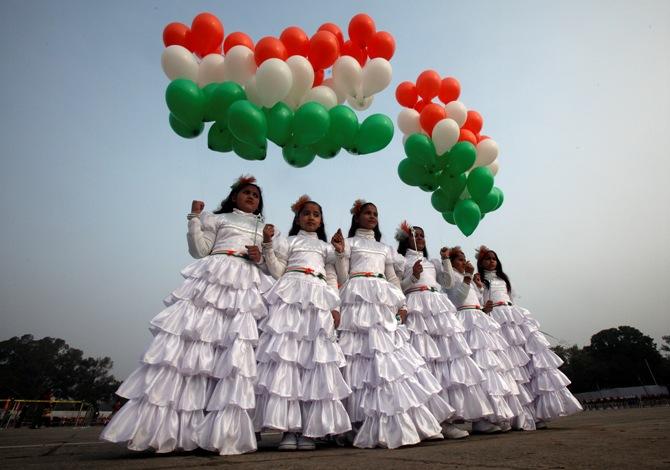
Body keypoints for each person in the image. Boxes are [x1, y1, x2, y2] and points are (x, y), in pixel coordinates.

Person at [101, 175, 271, 455]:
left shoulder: (263, 228)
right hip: (215, 275)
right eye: (246, 193)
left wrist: (260, 255)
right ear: (234, 197)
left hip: (247, 284)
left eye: (256, 194)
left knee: (234, 355)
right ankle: (171, 430)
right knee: (196, 347)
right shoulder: (216, 218)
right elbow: (199, 250)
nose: (252, 197)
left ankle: (221, 430)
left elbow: (268, 265)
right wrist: (194, 218)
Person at [332, 200, 451, 449]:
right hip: (357, 296)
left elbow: (394, 278)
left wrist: (402, 304)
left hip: (383, 298)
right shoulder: (350, 243)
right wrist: (341, 253)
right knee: (358, 355)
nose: (372, 216)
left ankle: (397, 420)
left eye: (375, 213)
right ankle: (357, 422)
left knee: (387, 358)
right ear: (357, 217)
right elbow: (343, 277)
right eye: (367, 213)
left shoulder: (385, 248)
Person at [254, 195, 351, 451]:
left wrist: (335, 305)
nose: (311, 217)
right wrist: (267, 245)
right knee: (290, 361)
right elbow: (276, 270)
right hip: (291, 296)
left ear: (321, 221)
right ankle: (289, 430)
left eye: (316, 214)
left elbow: (337, 277)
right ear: (297, 218)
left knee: (314, 363)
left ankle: (309, 430)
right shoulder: (287, 242)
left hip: (318, 298)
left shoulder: (326, 248)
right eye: (306, 213)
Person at [396, 223, 495, 439]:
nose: (420, 238)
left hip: (437, 306)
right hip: (416, 306)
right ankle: (430, 421)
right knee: (423, 362)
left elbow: (448, 282)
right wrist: (412, 276)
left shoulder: (432, 263)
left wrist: (444, 261)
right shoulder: (400, 260)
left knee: (444, 360)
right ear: (405, 239)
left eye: (423, 235)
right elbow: (398, 288)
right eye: (416, 235)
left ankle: (448, 420)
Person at [476, 246, 582, 427]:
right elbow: (480, 301)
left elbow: (512, 298)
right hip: (495, 318)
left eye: (494, 258)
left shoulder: (504, 280)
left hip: (513, 317)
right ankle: (515, 415)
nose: (491, 261)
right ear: (481, 262)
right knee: (509, 367)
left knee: (527, 364)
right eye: (487, 259)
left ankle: (537, 413)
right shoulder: (480, 281)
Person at [445, 247, 522, 433]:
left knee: (489, 368)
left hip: (479, 321)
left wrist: (481, 298)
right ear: (453, 262)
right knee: (474, 370)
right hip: (464, 321)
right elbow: (457, 299)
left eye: (465, 259)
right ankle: (478, 418)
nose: (464, 262)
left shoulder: (471, 280)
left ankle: (492, 414)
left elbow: (477, 301)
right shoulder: (452, 278)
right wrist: (466, 277)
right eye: (460, 260)